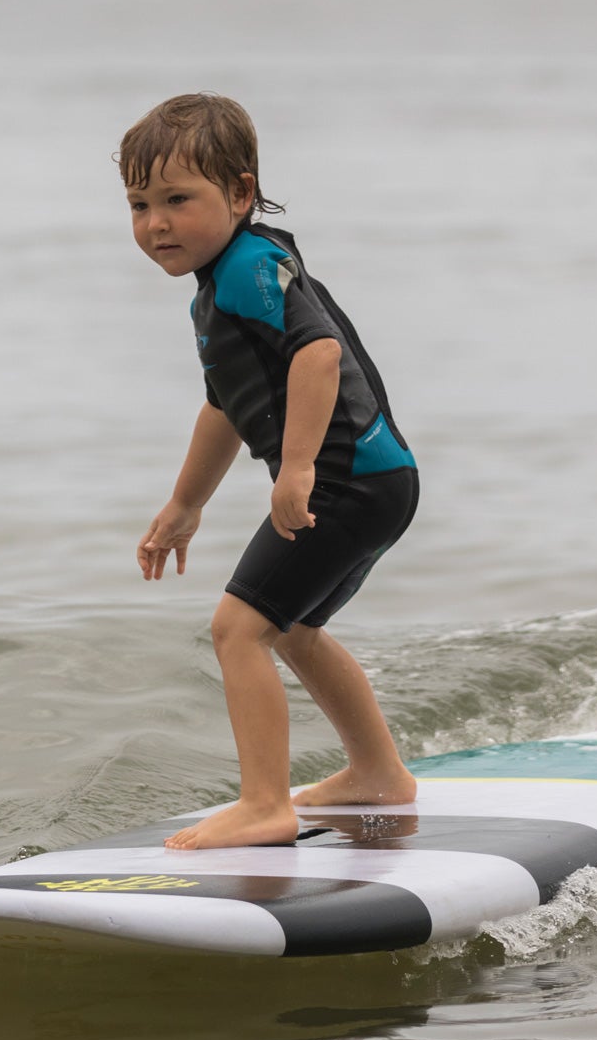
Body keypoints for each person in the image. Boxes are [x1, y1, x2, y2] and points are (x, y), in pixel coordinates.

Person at [122, 93, 420, 852]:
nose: (156, 223)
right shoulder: (224, 285)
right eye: (140, 204)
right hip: (377, 481)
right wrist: (185, 504)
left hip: (346, 480)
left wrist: (295, 471)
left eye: (178, 200)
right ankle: (378, 776)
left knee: (237, 629)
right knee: (293, 628)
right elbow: (225, 405)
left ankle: (264, 804)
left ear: (242, 193)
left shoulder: (251, 268)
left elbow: (318, 355)